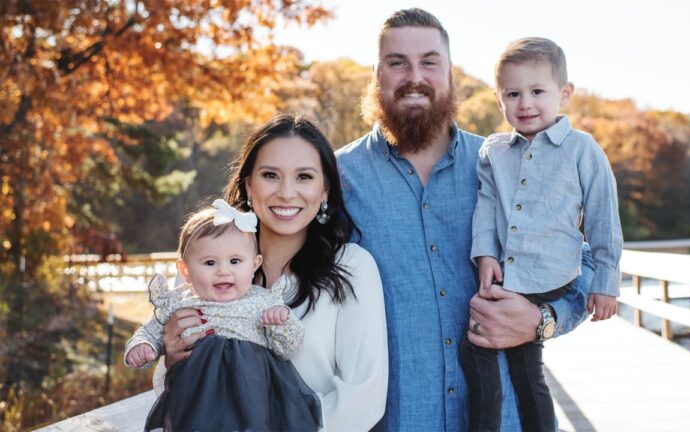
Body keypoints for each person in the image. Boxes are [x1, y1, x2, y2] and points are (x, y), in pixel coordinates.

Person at [335, 9, 595, 431]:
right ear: (376, 74)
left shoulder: (508, 163)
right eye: (397, 62)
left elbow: (585, 262)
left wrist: (542, 320)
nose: (413, 76)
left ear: (450, 73)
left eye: (429, 62)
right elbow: (284, 275)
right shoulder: (336, 177)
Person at [153, 114, 389, 431]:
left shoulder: (351, 268)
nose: (286, 193)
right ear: (249, 184)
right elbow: (166, 387)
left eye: (304, 177)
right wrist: (171, 357)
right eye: (270, 175)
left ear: (325, 191)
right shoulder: (207, 263)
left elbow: (364, 398)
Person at [459, 37, 624, 432]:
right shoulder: (494, 152)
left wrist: (606, 283)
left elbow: (604, 219)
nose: (525, 103)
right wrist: (485, 254)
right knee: (482, 350)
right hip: (506, 276)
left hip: (550, 275)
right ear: (499, 101)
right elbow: (485, 206)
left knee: (523, 368)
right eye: (512, 94)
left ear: (564, 94)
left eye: (537, 91)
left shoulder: (582, 151)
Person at [125, 200, 321, 431]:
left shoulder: (262, 301)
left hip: (250, 398)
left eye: (235, 261)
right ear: (185, 271)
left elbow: (288, 348)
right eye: (210, 262)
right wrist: (142, 346)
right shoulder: (179, 302)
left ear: (254, 265)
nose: (223, 271)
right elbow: (151, 331)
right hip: (197, 399)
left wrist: (281, 320)